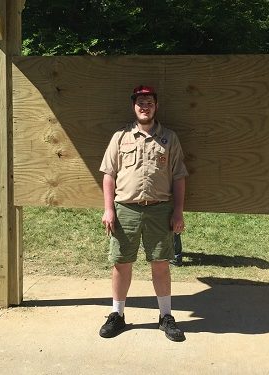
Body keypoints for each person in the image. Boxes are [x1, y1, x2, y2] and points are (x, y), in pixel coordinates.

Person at [99, 85, 189, 342]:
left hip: (160, 210)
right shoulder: (120, 137)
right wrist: (108, 209)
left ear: (156, 106)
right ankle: (117, 315)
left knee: (160, 264)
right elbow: (108, 174)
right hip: (125, 209)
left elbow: (179, 177)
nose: (144, 106)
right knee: (121, 263)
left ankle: (166, 316)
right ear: (133, 105)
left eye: (149, 102)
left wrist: (178, 212)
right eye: (140, 102)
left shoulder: (169, 138)